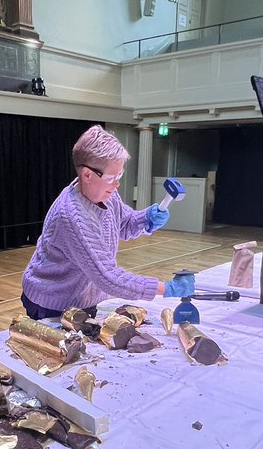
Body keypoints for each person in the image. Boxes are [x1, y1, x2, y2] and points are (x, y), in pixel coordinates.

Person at [20, 125, 194, 320]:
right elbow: (108, 278)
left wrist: (146, 218)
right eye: (112, 177)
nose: (117, 183)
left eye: (120, 175)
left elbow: (124, 222)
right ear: (87, 175)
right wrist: (166, 288)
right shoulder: (72, 218)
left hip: (82, 297)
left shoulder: (106, 194)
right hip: (52, 303)